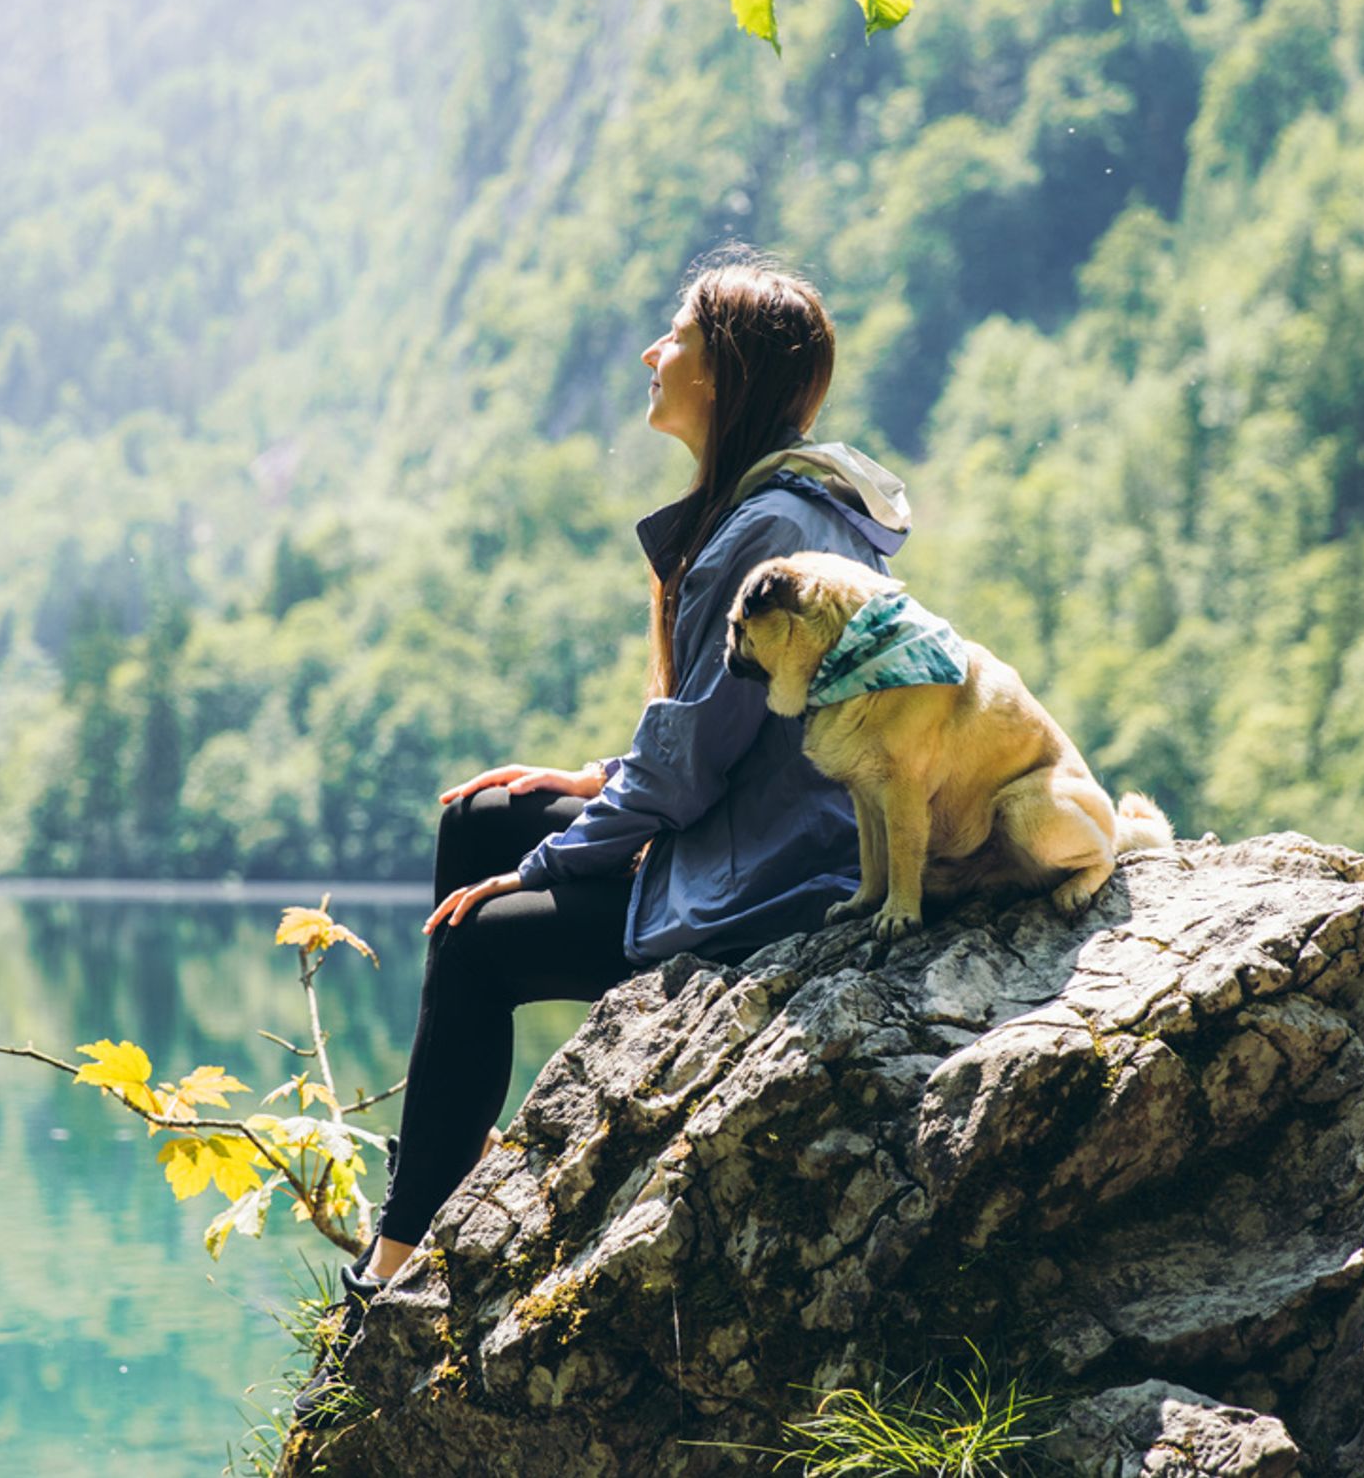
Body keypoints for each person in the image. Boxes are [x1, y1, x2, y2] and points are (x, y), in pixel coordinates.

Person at [294, 247, 912, 1420]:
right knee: (482, 813)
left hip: (763, 892)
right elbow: (712, 739)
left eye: (676, 333)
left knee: (476, 939)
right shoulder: (772, 504)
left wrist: (542, 866)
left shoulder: (762, 533)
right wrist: (580, 788)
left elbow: (689, 779)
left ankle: (398, 1251)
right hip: (747, 830)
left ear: (724, 372)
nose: (652, 351)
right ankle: (447, 1166)